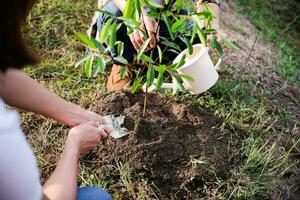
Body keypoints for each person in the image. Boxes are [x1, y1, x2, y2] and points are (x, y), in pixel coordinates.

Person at [0, 1, 113, 199]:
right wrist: (74, 146)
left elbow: (2, 77)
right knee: (96, 197)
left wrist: (76, 114)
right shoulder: (4, 137)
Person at [88, 0, 222, 91]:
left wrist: (211, 25)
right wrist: (137, 15)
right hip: (123, 11)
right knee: (115, 17)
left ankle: (150, 57)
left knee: (197, 36)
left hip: (161, 19)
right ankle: (122, 61)